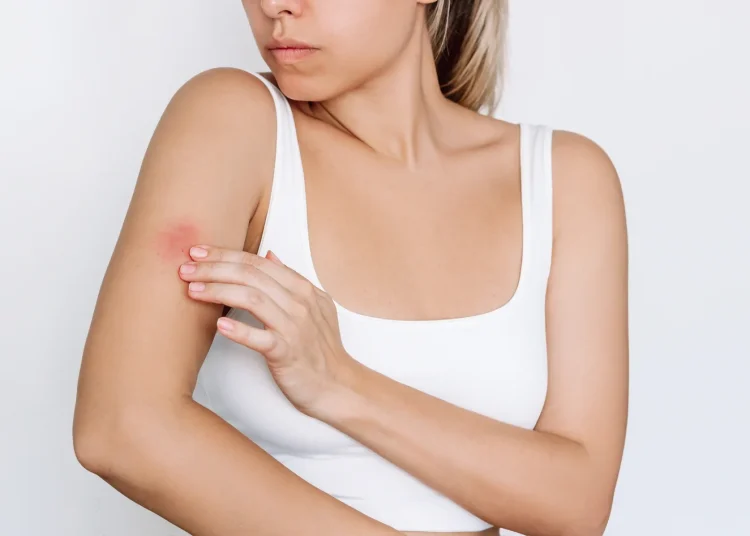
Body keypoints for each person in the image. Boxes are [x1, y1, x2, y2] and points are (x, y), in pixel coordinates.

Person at [73, 1, 629, 535]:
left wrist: (340, 384)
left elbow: (577, 506)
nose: (275, 5)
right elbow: (121, 428)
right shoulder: (234, 121)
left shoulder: (563, 179)